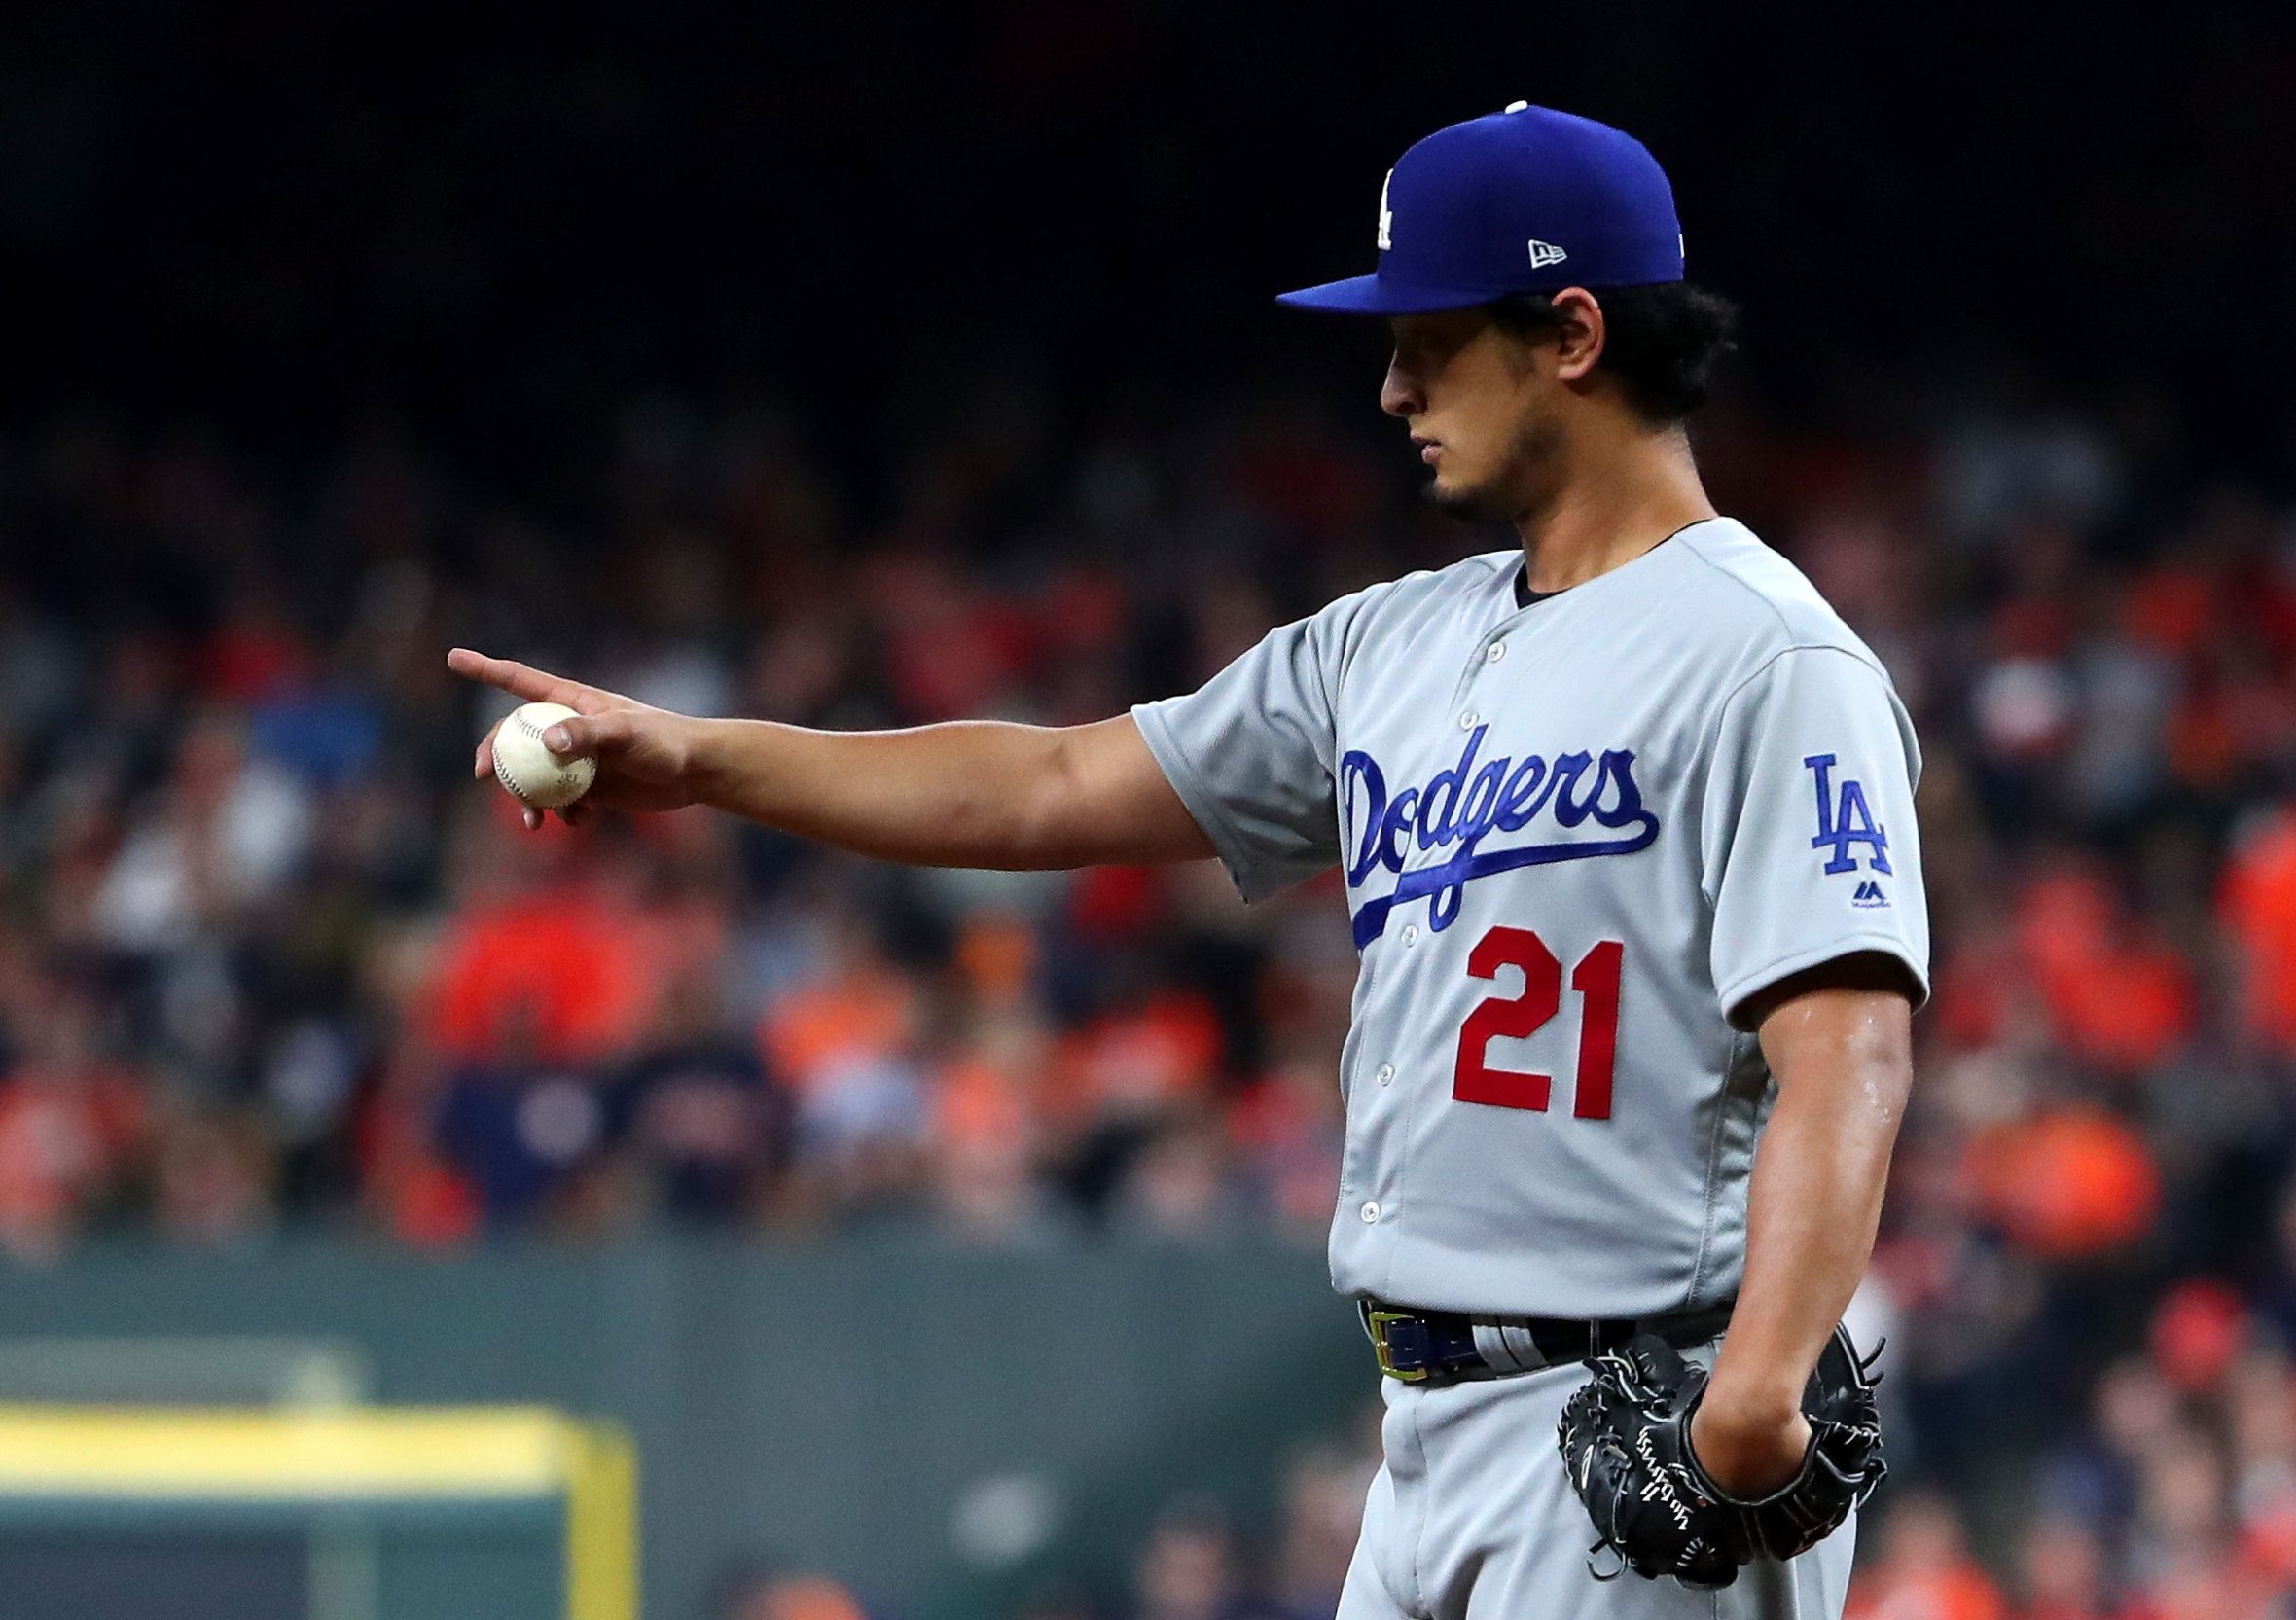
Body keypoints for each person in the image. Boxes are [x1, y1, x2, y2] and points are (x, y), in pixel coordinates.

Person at [448, 102, 1925, 1620]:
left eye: (1428, 339)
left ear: (1569, 331)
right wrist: (701, 760)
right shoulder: (1391, 644)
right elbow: (1045, 782)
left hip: (1641, 1420)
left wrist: (1754, 1393)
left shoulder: (1767, 657)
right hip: (1422, 1430)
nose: (1392, 383)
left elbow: (1850, 1045)